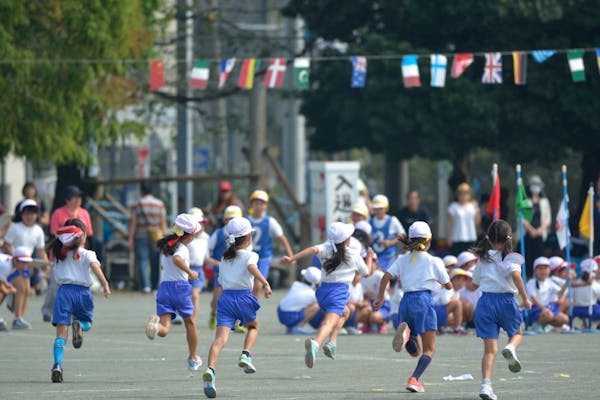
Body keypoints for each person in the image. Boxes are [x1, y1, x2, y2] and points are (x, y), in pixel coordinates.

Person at [282, 222, 374, 369]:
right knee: (329, 323)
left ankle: (332, 342)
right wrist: (369, 257)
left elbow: (312, 249)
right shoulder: (353, 255)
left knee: (346, 312)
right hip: (338, 293)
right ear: (347, 239)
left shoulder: (326, 248)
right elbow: (367, 272)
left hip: (322, 292)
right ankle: (316, 343)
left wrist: (292, 258)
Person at [375, 221, 451, 393]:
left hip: (405, 301)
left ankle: (408, 338)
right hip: (423, 301)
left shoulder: (402, 259)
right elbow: (449, 285)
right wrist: (441, 284)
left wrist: (380, 298)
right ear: (429, 241)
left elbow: (386, 276)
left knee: (415, 352)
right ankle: (414, 379)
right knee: (430, 349)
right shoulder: (433, 261)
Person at [202, 217, 272, 398]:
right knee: (254, 326)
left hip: (225, 299)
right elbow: (251, 268)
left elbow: (221, 280)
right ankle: (245, 355)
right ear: (249, 238)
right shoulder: (251, 255)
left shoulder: (225, 257)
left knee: (220, 339)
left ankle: (211, 370)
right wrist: (264, 282)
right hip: (243, 297)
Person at [470, 219, 531, 400]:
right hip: (505, 301)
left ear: (489, 238)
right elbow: (516, 276)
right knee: (517, 333)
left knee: (489, 351)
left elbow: (474, 282)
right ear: (508, 238)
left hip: (486, 303)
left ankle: (485, 386)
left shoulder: (483, 257)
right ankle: (511, 348)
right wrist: (525, 298)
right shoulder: (512, 257)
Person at [49, 219, 111, 383]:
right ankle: (80, 326)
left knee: (61, 335)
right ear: (81, 235)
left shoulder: (58, 254)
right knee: (87, 323)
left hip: (64, 293)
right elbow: (96, 268)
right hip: (83, 293)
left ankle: (57, 365)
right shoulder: (87, 254)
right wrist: (105, 285)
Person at [145, 214, 203, 371]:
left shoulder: (166, 247)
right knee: (190, 323)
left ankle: (156, 327)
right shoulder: (181, 249)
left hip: (164, 288)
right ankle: (192, 357)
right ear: (189, 235)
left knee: (164, 329)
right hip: (180, 288)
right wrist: (190, 272)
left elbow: (165, 267)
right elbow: (177, 260)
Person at [44, 186, 94, 321]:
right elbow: (55, 234)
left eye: (80, 197)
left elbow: (88, 234)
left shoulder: (84, 213)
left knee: (78, 284)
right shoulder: (58, 213)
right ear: (67, 199)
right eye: (75, 197)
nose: (79, 200)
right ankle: (47, 310)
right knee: (56, 285)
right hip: (62, 253)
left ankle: (74, 312)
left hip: (79, 255)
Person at [3, 200, 48, 328]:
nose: (30, 216)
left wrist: (44, 263)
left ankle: (19, 316)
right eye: (27, 212)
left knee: (27, 290)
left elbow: (40, 250)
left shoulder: (38, 230)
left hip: (26, 265)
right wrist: (16, 260)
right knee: (21, 288)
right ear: (22, 214)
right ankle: (17, 317)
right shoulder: (15, 228)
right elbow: (7, 244)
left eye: (33, 213)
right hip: (12, 264)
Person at [247, 190, 294, 298]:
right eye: (256, 203)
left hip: (263, 257)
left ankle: (252, 311)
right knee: (246, 285)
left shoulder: (270, 221)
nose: (259, 206)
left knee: (258, 285)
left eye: (261, 203)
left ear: (266, 205)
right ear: (251, 204)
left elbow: (282, 238)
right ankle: (247, 308)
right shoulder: (246, 220)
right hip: (248, 257)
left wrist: (290, 255)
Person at [207, 205, 243, 330]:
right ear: (225, 220)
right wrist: (216, 262)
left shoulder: (243, 235)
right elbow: (207, 252)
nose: (234, 222)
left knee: (238, 297)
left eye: (237, 219)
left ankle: (238, 322)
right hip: (221, 272)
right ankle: (213, 314)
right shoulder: (218, 234)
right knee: (217, 298)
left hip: (237, 272)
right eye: (231, 219)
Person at [128, 182, 167, 293]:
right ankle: (155, 286)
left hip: (141, 235)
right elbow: (163, 223)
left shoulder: (137, 204)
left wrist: (130, 238)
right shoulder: (160, 204)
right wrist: (164, 238)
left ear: (142, 191)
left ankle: (146, 285)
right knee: (155, 261)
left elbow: (133, 223)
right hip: (156, 237)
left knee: (142, 261)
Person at [187, 208, 219, 322]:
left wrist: (221, 264)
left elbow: (206, 258)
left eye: (202, 223)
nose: (201, 226)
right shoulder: (183, 238)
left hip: (197, 271)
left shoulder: (206, 238)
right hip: (183, 271)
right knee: (182, 297)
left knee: (195, 295)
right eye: (198, 223)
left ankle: (192, 322)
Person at [526, 257, 568, 331]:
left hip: (549, 308)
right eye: (540, 269)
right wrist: (543, 309)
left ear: (549, 270)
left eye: (545, 268)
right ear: (535, 270)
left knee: (565, 319)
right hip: (535, 308)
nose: (543, 271)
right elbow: (534, 298)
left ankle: (548, 325)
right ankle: (536, 324)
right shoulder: (531, 283)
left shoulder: (550, 282)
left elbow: (560, 293)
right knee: (549, 315)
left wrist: (567, 282)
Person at [277, 266, 321, 335]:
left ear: (304, 277)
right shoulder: (312, 295)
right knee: (316, 306)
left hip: (280, 312)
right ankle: (298, 327)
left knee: (301, 305)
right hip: (289, 316)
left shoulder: (295, 284)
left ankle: (290, 328)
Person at [522, 175, 551, 278]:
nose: (535, 187)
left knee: (539, 256)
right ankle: (528, 276)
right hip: (528, 234)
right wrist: (531, 230)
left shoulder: (544, 201)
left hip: (540, 234)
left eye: (537, 185)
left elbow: (547, 218)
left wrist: (539, 230)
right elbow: (522, 218)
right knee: (528, 257)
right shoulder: (525, 201)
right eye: (533, 185)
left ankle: (539, 276)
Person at [369, 194, 405, 272]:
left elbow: (403, 236)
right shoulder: (369, 221)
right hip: (373, 259)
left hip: (389, 258)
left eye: (380, 208)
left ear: (386, 208)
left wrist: (391, 242)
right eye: (376, 208)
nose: (378, 211)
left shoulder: (393, 221)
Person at [1, 247, 35, 329]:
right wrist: (10, 290)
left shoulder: (12, 266)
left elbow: (2, 281)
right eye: (23, 262)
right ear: (15, 260)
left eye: (26, 262)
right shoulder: (6, 266)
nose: (25, 265)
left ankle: (18, 319)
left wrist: (8, 288)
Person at [447, 183, 481, 254]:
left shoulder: (472, 206)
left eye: (466, 194)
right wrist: (449, 238)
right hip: (457, 238)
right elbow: (450, 223)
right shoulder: (453, 207)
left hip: (470, 238)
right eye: (461, 194)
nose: (463, 196)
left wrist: (477, 209)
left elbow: (477, 222)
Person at [572, 258, 600, 326]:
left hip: (576, 310)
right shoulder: (596, 285)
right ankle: (594, 323)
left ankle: (584, 320)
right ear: (595, 271)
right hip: (592, 310)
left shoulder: (576, 283)